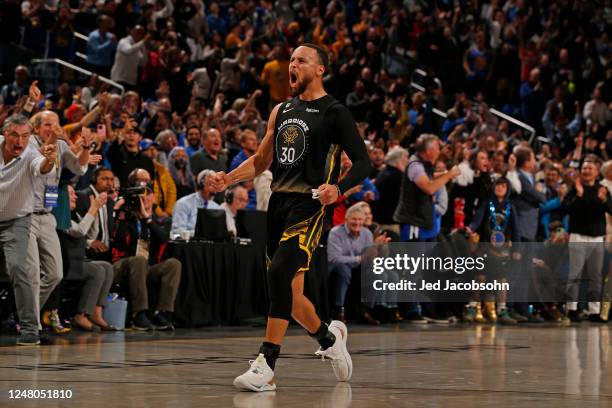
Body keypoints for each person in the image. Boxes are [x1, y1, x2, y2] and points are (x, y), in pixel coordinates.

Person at [210, 43, 370, 391]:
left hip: (310, 205)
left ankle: (266, 365)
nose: (292, 66)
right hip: (278, 206)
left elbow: (363, 162)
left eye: (301, 61)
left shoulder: (335, 112)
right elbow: (261, 161)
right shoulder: (281, 110)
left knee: (280, 273)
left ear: (320, 69)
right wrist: (229, 178)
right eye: (292, 61)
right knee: (290, 295)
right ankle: (329, 340)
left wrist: (338, 189)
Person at [0, 114, 57, 346]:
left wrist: (50, 160)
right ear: (5, 134)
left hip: (17, 220)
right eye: (14, 134)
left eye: (25, 136)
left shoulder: (31, 154)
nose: (20, 141)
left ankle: (29, 329)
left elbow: (42, 167)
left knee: (19, 269)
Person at [112, 169, 181, 330]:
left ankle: (161, 312)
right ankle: (139, 313)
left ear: (154, 197)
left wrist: (147, 219)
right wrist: (120, 214)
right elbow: (118, 240)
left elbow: (163, 238)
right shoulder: (125, 215)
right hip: (122, 264)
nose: (145, 198)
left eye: (148, 194)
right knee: (139, 260)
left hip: (145, 267)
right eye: (141, 196)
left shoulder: (158, 220)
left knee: (173, 264)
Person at [61, 185, 116, 331]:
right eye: (71, 194)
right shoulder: (60, 216)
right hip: (66, 262)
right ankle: (82, 314)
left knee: (107, 267)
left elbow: (90, 233)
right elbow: (80, 231)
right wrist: (93, 207)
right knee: (97, 270)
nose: (76, 197)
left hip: (78, 259)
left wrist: (95, 210)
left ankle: (96, 312)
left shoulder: (74, 214)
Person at [171, 169, 221, 236]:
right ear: (201, 184)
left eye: (216, 186)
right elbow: (177, 232)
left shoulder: (216, 208)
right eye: (211, 185)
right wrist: (199, 234)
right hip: (188, 245)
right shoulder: (183, 204)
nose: (214, 190)